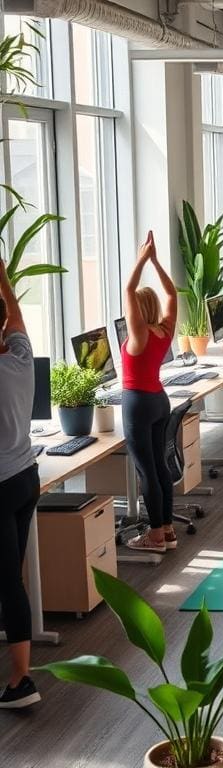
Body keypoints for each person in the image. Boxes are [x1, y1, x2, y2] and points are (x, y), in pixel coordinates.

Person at [0, 256, 41, 709]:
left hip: (2, 485)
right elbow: (17, 313)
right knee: (12, 575)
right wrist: (3, 277)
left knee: (9, 579)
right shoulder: (22, 360)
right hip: (26, 478)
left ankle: (21, 680)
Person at [121, 232, 178, 553]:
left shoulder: (139, 335)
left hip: (137, 403)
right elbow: (171, 293)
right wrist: (156, 262)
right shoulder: (164, 330)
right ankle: (167, 529)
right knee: (160, 466)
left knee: (147, 471)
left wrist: (142, 258)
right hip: (159, 399)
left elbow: (128, 289)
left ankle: (155, 535)